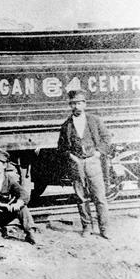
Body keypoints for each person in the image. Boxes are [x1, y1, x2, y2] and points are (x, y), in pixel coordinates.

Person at [57, 89, 112, 239]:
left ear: (84, 104)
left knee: (99, 197)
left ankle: (104, 229)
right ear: (70, 105)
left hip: (93, 162)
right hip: (76, 164)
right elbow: (61, 147)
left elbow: (107, 138)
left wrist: (98, 153)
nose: (76, 106)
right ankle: (87, 227)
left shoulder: (94, 120)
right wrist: (71, 157)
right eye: (73, 103)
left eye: (79, 103)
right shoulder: (66, 125)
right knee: (81, 198)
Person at [0, 149, 36, 246]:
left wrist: (18, 203)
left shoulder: (9, 180)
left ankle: (30, 233)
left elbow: (23, 193)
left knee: (23, 207)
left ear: (4, 165)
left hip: (2, 215)